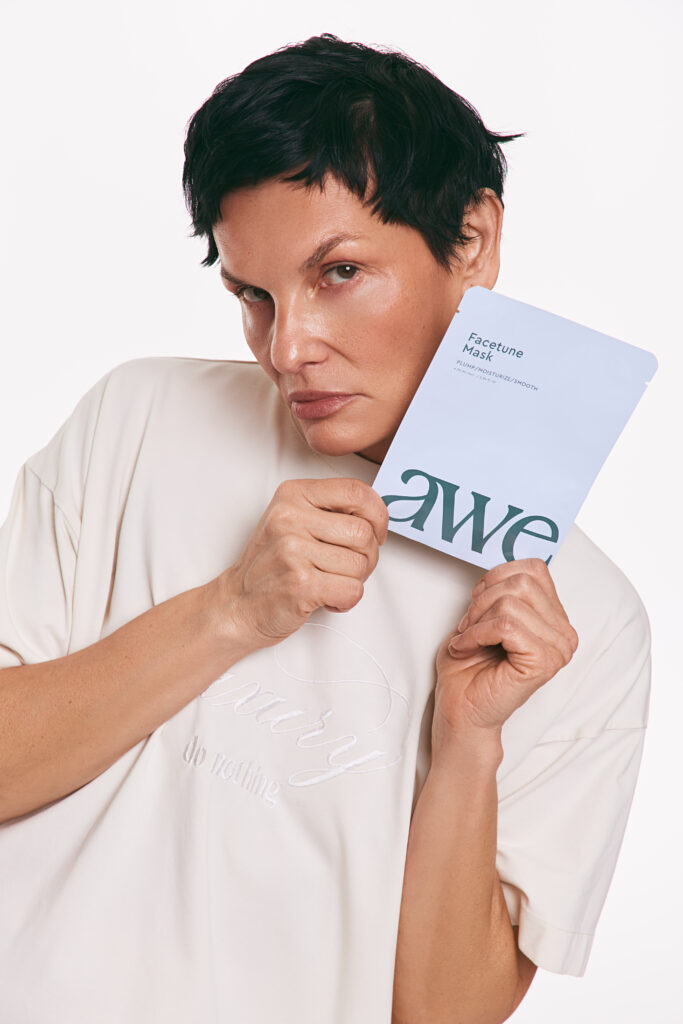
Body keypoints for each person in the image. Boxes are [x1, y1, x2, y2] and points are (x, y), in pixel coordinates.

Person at [0, 33, 650, 1024]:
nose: (288, 347)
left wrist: (467, 738)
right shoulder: (140, 420)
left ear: (470, 240)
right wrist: (229, 611)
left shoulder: (579, 621)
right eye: (252, 296)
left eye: (338, 272)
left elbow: (443, 1014)